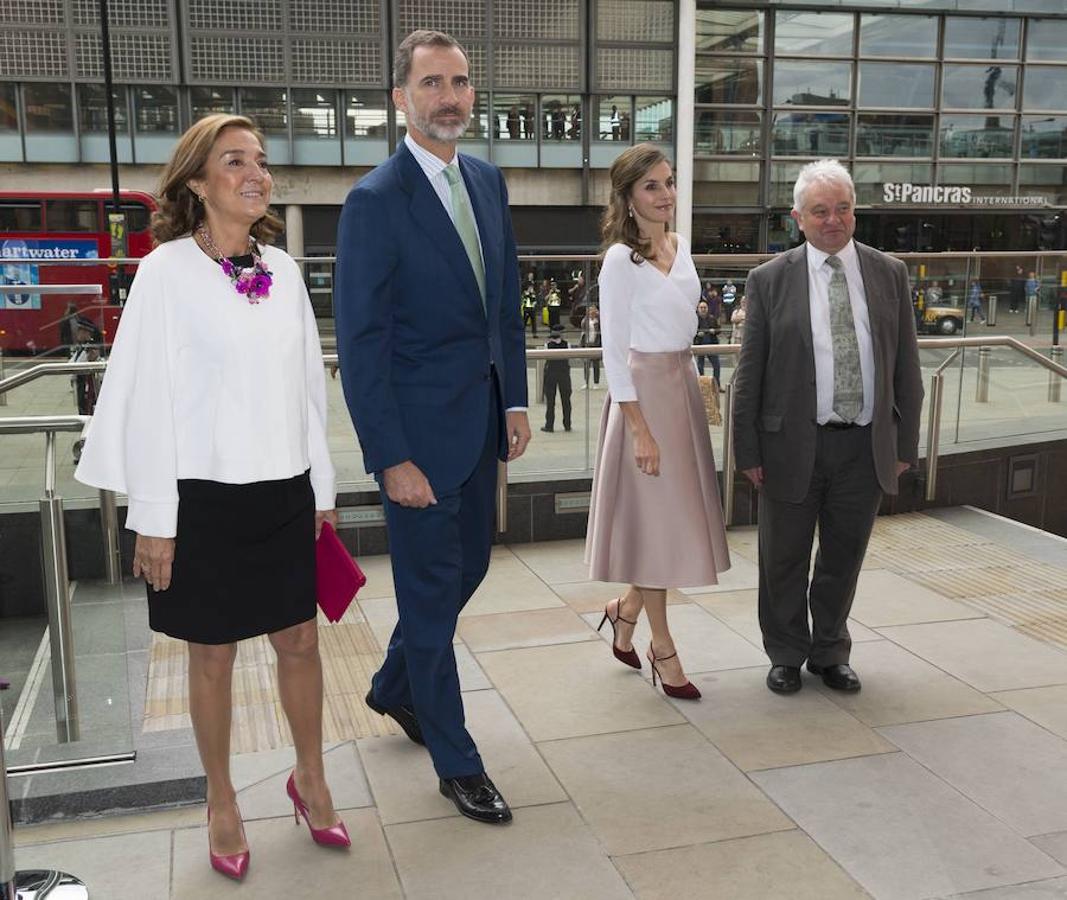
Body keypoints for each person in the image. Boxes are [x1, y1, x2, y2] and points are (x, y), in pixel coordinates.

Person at [74, 113, 348, 881]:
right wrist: (154, 519)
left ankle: (310, 775)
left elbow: (307, 392)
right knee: (213, 657)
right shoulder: (164, 271)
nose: (256, 174)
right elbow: (145, 401)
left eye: (260, 161)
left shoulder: (284, 270)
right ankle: (221, 798)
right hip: (200, 500)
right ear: (197, 181)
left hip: (283, 490)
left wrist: (319, 488)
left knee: (300, 641)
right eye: (235, 161)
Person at [334, 30, 530, 826]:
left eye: (460, 82)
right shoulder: (374, 201)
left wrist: (513, 399)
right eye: (432, 84)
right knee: (425, 598)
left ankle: (391, 687)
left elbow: (504, 305)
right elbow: (360, 343)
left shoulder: (486, 180)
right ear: (400, 100)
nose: (449, 96)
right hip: (416, 441)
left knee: (467, 572)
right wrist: (390, 458)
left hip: (479, 425)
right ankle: (456, 760)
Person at [732, 158, 923, 696]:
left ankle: (830, 651)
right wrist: (748, 450)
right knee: (784, 557)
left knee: (844, 556)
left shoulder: (889, 273)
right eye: (820, 211)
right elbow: (749, 375)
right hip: (791, 444)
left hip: (864, 445)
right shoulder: (769, 280)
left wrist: (903, 445)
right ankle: (786, 653)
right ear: (798, 217)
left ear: (854, 212)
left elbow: (907, 367)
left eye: (842, 209)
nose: (833, 220)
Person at [585, 144, 731, 700]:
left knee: (669, 524)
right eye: (652, 186)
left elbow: (682, 330)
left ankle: (624, 612)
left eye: (669, 183)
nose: (666, 194)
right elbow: (614, 351)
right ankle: (662, 646)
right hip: (641, 399)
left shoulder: (681, 246)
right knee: (655, 528)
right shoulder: (620, 261)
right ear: (627, 196)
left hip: (680, 390)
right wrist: (639, 429)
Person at [542, 324, 572, 432]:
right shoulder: (567, 344)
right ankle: (567, 424)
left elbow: (546, 358)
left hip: (551, 374)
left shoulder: (547, 345)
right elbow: (568, 358)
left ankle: (549, 425)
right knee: (566, 400)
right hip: (564, 373)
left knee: (550, 401)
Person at [694, 299, 720, 383]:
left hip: (711, 344)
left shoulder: (712, 318)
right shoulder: (694, 320)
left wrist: (714, 331)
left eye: (705, 307)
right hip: (699, 345)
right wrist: (697, 334)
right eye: (701, 307)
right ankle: (702, 386)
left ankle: (717, 385)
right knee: (700, 367)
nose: (703, 309)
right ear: (698, 309)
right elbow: (690, 332)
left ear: (707, 308)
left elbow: (719, 329)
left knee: (717, 365)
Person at [580, 304, 602, 388]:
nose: (592, 312)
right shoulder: (585, 321)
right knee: (586, 365)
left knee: (596, 365)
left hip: (595, 344)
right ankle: (586, 382)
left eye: (593, 310)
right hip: (587, 344)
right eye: (590, 310)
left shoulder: (598, 321)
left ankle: (596, 382)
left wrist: (599, 315)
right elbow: (582, 330)